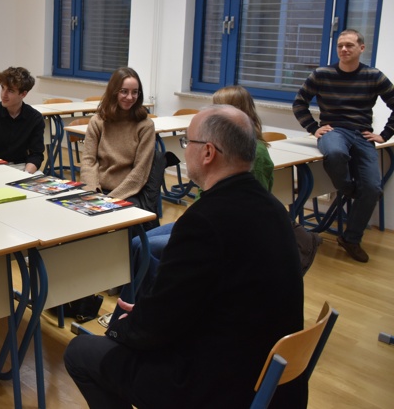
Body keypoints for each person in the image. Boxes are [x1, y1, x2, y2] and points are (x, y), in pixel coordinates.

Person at [64, 105, 306, 409]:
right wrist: (150, 313)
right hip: (271, 382)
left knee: (81, 351)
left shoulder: (205, 220)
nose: (184, 149)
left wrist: (121, 327)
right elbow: (213, 296)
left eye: (187, 142)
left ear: (208, 152)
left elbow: (155, 327)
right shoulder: (274, 209)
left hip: (217, 388)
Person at [136, 85, 274, 274]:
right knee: (136, 243)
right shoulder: (224, 149)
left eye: (216, 108)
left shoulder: (253, 154)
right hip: (202, 219)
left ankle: (153, 282)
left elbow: (247, 212)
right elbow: (206, 193)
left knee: (142, 248)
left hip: (221, 230)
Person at [292, 29, 394, 263]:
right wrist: (313, 128)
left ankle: (351, 239)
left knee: (372, 188)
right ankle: (349, 189)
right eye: (340, 46)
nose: (344, 49)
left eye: (349, 45)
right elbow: (299, 103)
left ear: (361, 48)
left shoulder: (373, 76)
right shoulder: (322, 74)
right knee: (336, 152)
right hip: (333, 131)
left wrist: (385, 134)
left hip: (362, 134)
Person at [80, 67, 155, 200]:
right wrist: (92, 191)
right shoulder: (97, 121)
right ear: (114, 92)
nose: (130, 97)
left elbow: (140, 172)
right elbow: (88, 161)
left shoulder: (145, 125)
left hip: (128, 193)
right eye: (124, 91)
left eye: (135, 92)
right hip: (97, 190)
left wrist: (111, 199)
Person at [0, 67, 45, 173]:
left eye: (10, 91)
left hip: (21, 166)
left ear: (23, 94)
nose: (3, 94)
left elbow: (36, 155)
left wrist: (26, 174)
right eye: (2, 88)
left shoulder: (35, 118)